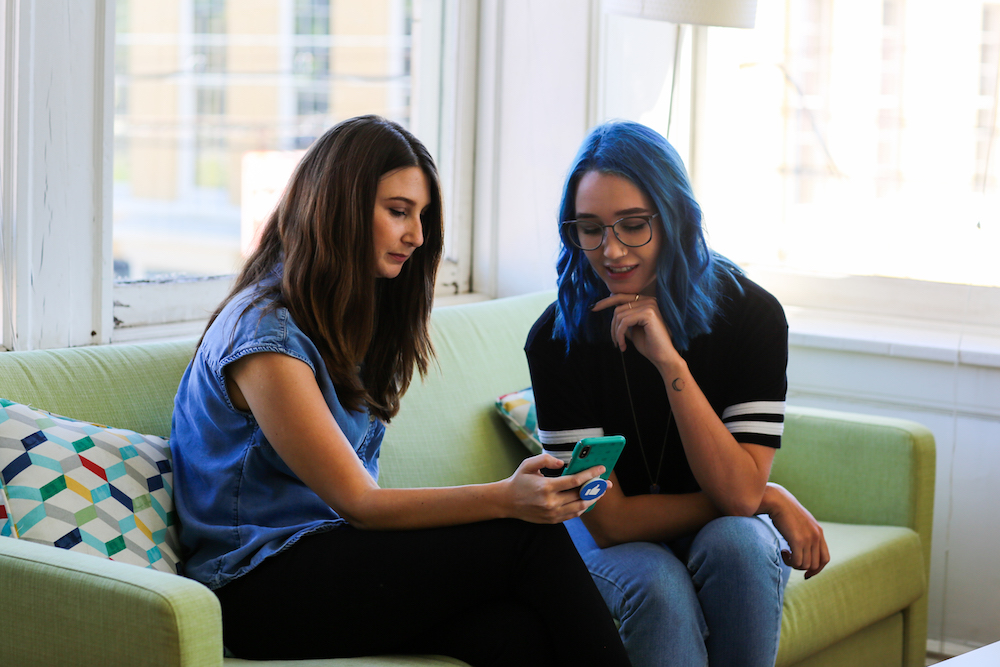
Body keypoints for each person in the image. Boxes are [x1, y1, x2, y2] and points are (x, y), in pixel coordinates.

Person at [169, 115, 631, 666]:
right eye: (397, 211)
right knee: (524, 539)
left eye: (422, 216)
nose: (415, 235)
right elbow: (360, 504)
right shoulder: (266, 337)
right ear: (337, 205)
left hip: (335, 563)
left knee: (513, 634)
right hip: (257, 587)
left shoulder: (348, 321)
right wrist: (505, 497)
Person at [525, 120, 830, 667]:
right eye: (590, 229)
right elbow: (611, 521)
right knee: (659, 586)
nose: (610, 251)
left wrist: (670, 364)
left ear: (675, 217)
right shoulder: (556, 339)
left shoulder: (751, 317)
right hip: (599, 539)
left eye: (633, 225)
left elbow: (735, 501)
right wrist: (769, 497)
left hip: (716, 530)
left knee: (740, 545)